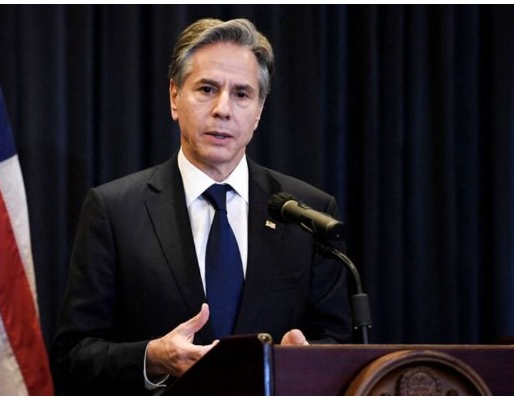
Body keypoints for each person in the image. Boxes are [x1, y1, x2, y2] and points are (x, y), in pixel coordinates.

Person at [51, 17, 352, 395]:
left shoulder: (307, 212)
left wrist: (304, 361)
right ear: (175, 97)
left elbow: (339, 342)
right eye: (207, 89)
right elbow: (72, 356)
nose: (223, 110)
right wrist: (152, 358)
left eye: (242, 94)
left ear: (258, 110)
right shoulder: (114, 210)